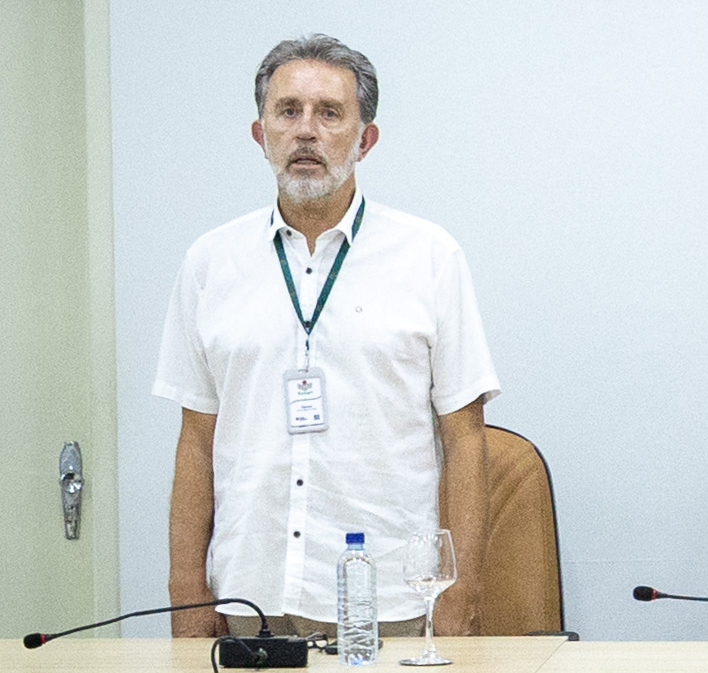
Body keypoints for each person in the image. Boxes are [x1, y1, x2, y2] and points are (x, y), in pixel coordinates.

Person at [155, 35, 500, 640]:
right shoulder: (211, 262)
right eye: (288, 112)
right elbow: (197, 437)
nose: (306, 132)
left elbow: (465, 437)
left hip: (390, 597)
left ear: (365, 140)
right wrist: (186, 591)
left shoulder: (428, 257)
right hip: (250, 595)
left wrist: (461, 594)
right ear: (261, 134)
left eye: (330, 113)